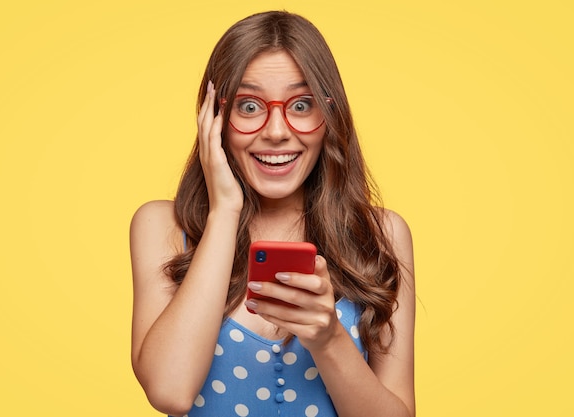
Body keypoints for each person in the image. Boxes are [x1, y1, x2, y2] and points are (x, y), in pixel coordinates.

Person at [130, 10, 415, 417]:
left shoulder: (382, 234)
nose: (277, 130)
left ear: (328, 116)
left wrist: (328, 339)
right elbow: (170, 391)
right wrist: (224, 212)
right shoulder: (162, 226)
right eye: (249, 106)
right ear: (216, 119)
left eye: (301, 104)